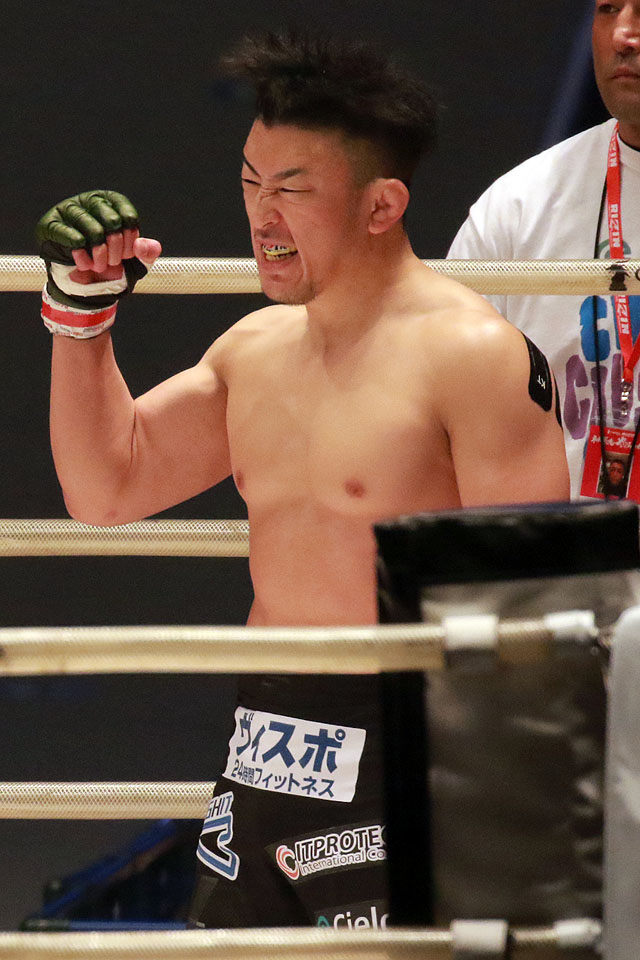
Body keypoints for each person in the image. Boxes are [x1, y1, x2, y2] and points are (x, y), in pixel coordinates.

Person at [36, 33, 568, 928]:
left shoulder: (471, 356)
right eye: (251, 182)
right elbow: (106, 488)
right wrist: (81, 321)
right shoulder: (254, 351)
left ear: (380, 205)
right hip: (265, 740)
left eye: (292, 189)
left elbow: (532, 613)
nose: (261, 214)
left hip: (416, 742)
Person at [448, 0, 640, 503]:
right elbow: (438, 407)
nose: (622, 35)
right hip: (563, 548)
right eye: (607, 9)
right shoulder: (517, 206)